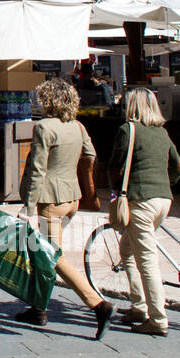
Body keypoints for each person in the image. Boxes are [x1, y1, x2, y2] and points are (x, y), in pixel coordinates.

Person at [16, 78, 113, 338]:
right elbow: (90, 155)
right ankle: (38, 308)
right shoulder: (78, 126)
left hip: (50, 201)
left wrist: (29, 207)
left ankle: (98, 305)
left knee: (51, 255)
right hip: (72, 198)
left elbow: (38, 171)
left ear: (48, 101)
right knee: (41, 253)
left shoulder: (44, 127)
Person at [108, 87, 180, 337]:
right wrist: (165, 183)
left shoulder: (127, 130)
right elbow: (178, 165)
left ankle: (158, 319)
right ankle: (139, 305)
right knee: (127, 250)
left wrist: (116, 190)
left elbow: (115, 165)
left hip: (140, 199)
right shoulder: (162, 133)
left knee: (147, 261)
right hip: (163, 200)